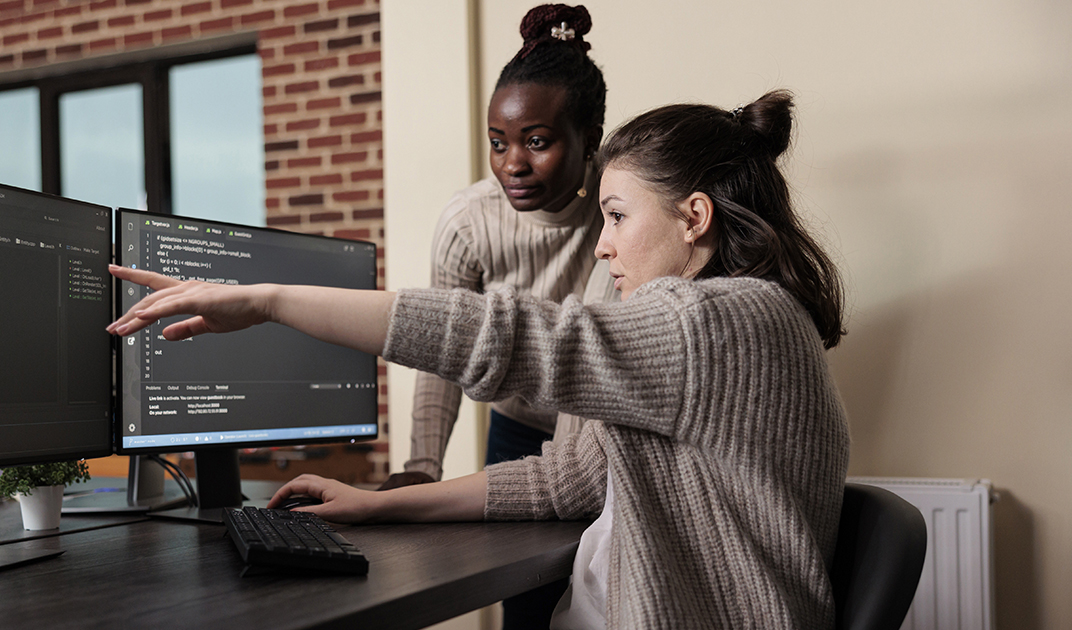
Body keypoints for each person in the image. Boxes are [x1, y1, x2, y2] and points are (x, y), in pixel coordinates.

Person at [108, 89, 850, 628]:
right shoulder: (724, 323)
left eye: (619, 217)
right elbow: (569, 478)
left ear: (695, 217)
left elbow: (505, 335)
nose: (603, 244)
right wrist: (381, 505)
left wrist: (267, 301)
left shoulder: (723, 322)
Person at [386, 2, 615, 494]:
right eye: (497, 142)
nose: (512, 163)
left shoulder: (620, 209)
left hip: (605, 429)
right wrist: (423, 466)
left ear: (589, 139)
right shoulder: (468, 222)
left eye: (536, 142)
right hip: (518, 427)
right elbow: (441, 347)